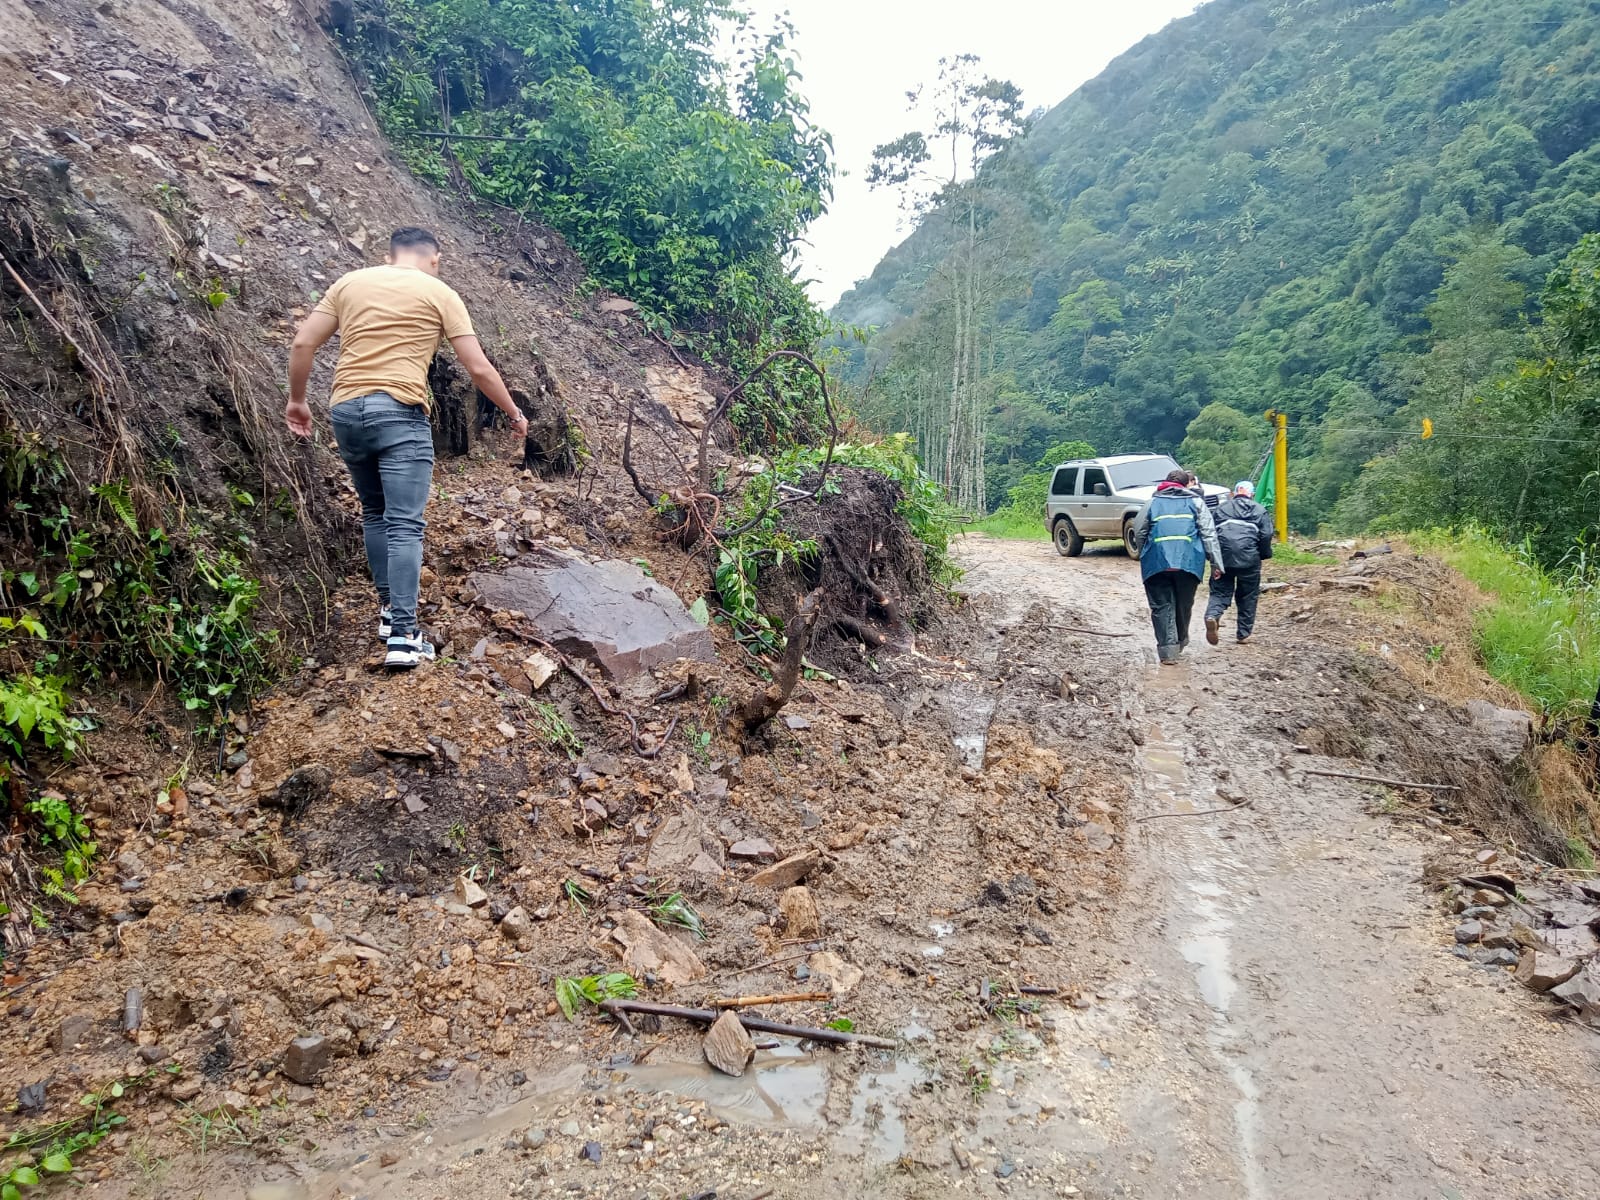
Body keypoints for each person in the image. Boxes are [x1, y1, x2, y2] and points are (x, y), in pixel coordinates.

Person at [285, 227, 528, 668]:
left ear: (389, 255)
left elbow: (303, 342)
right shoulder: (439, 292)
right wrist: (513, 412)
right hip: (398, 411)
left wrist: (297, 401)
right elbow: (477, 367)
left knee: (375, 514)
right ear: (434, 257)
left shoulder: (350, 283)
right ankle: (402, 635)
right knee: (405, 524)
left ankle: (387, 613)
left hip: (345, 412)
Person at [1131, 469, 1226, 666]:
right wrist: (1216, 563)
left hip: (1156, 563)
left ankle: (1168, 651)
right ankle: (1181, 641)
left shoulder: (1152, 503)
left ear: (1165, 483)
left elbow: (1139, 532)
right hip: (1188, 562)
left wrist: (1145, 554)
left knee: (1161, 606)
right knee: (1184, 604)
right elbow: (1209, 534)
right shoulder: (1196, 503)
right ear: (1186, 485)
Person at [1205, 479, 1275, 645]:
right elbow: (1266, 535)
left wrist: (1213, 559)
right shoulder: (1260, 510)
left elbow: (1210, 533)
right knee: (1248, 595)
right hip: (1249, 559)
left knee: (1220, 591)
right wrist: (1263, 555)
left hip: (1224, 558)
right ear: (1252, 494)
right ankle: (1243, 634)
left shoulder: (1221, 509)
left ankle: (1212, 615)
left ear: (1234, 493)